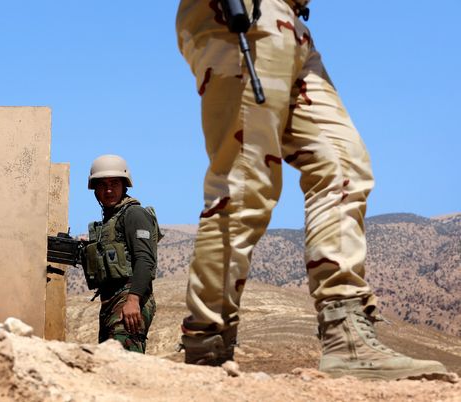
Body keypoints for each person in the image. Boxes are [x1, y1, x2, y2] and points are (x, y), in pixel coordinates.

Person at [175, 0, 448, 379]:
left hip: (292, 24)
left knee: (341, 164)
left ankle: (347, 337)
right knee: (245, 182)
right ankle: (209, 344)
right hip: (244, 16)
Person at [83, 154, 162, 353]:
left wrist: (133, 300)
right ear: (95, 189)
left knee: (124, 362)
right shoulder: (110, 221)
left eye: (114, 183)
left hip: (129, 298)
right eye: (102, 185)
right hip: (112, 302)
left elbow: (145, 260)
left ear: (124, 185)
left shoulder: (134, 214)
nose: (108, 190)